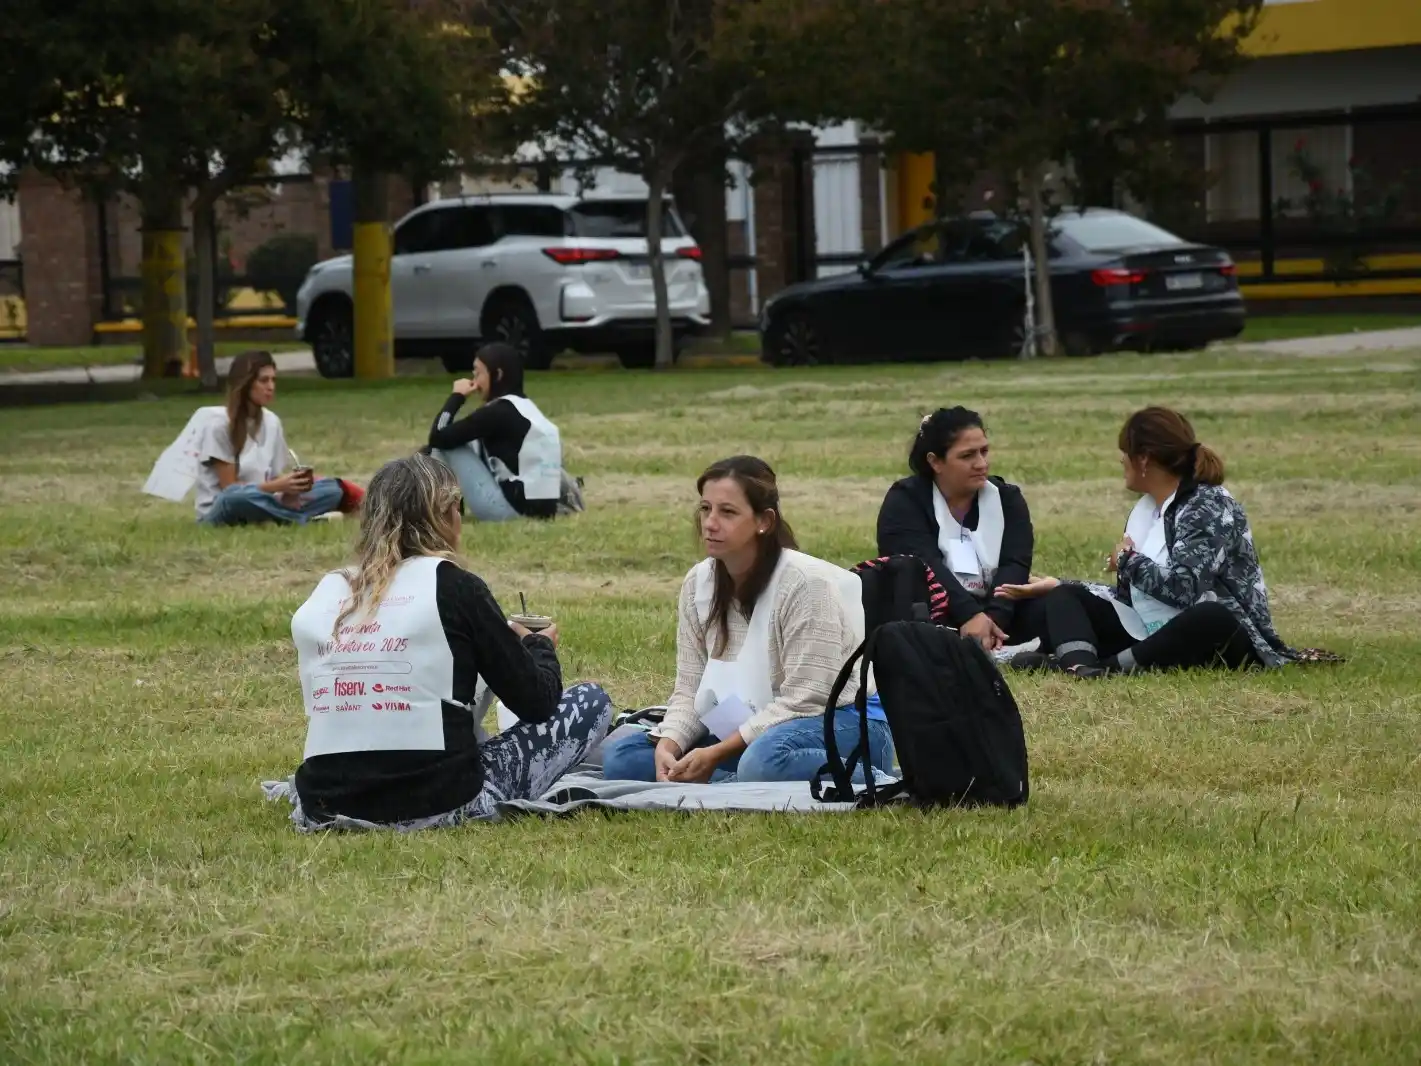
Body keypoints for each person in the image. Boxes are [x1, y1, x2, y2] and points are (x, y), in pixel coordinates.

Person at [283, 453, 613, 829]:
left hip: (323, 802)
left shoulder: (329, 590)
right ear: (445, 515)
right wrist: (540, 647)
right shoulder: (456, 587)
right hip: (439, 800)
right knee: (591, 702)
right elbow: (537, 702)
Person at [601, 456, 894, 784]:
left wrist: (715, 753)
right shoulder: (698, 582)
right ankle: (732, 779)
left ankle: (871, 777)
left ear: (764, 521)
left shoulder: (805, 584)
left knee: (763, 761)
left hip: (839, 724)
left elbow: (807, 699)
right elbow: (690, 690)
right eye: (705, 509)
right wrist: (670, 743)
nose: (710, 523)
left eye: (727, 512)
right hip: (748, 727)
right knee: (624, 759)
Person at [996, 406, 1303, 676]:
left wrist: (1127, 560)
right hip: (1154, 631)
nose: (1121, 460)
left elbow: (1184, 591)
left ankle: (1106, 669)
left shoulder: (1208, 505)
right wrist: (1065, 584)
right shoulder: (1148, 509)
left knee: (1211, 616)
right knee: (1065, 596)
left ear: (1143, 459)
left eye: (1125, 452)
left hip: (1221, 635)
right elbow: (1133, 599)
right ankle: (1081, 667)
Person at [876, 406, 1040, 651]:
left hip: (997, 612)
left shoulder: (1007, 499)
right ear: (935, 461)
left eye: (984, 451)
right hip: (932, 610)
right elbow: (925, 565)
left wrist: (994, 619)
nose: (981, 464)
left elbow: (1015, 563)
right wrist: (969, 615)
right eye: (967, 456)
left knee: (1061, 600)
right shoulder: (905, 501)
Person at [185, 350, 360, 525]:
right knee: (233, 498)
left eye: (273, 380)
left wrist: (290, 490)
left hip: (264, 500)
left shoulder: (271, 422)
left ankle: (282, 516)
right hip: (223, 509)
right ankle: (301, 519)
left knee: (333, 489)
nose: (271, 387)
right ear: (245, 384)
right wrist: (277, 487)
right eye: (264, 380)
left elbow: (274, 478)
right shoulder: (220, 425)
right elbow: (229, 488)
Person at [426, 343, 565, 521]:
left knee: (444, 446)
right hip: (542, 510)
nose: (474, 380)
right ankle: (444, 510)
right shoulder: (526, 408)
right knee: (451, 443)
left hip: (509, 511)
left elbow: (438, 436)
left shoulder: (496, 413)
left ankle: (439, 513)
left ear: (497, 375)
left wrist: (457, 397)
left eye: (478, 373)